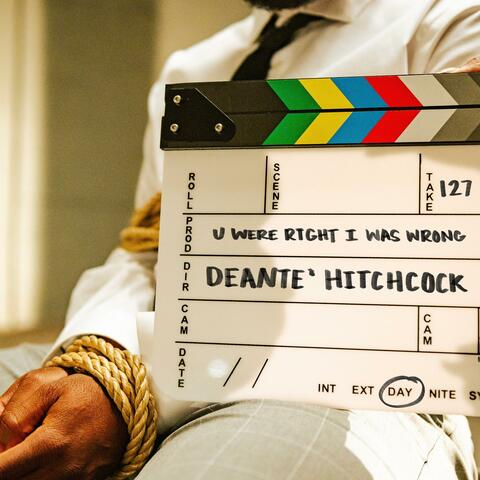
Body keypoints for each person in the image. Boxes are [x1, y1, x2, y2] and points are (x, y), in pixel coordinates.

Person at [0, 0, 479, 478]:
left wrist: (138, 386)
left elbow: (426, 280)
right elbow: (147, 250)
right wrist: (100, 361)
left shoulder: (451, 24)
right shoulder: (192, 68)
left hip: (354, 389)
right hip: (160, 349)